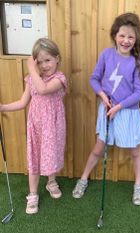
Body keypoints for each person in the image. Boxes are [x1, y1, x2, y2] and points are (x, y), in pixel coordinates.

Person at [72, 12, 140, 206]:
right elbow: (94, 79)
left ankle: (138, 185)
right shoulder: (106, 54)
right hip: (107, 110)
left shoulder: (137, 61)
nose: (126, 40)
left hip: (127, 113)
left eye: (131, 36)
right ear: (115, 34)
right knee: (98, 148)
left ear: (136, 38)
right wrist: (103, 96)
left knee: (135, 150)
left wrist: (119, 107)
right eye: (122, 35)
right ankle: (83, 179)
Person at [0, 38, 67, 214]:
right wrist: (3, 107)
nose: (44, 65)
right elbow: (23, 102)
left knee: (50, 154)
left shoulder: (59, 78)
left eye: (48, 60)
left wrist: (30, 67)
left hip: (52, 127)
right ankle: (33, 194)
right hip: (35, 128)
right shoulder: (32, 80)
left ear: (57, 59)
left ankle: (51, 182)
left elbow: (43, 89)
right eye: (40, 61)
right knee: (35, 158)